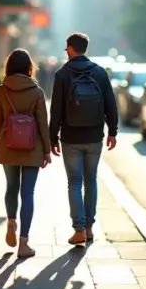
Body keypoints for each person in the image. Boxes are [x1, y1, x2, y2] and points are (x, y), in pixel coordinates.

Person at [49, 32, 118, 246]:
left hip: (70, 137)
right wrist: (113, 131)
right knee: (91, 181)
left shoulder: (62, 74)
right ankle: (88, 228)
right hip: (95, 136)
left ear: (70, 48)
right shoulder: (99, 72)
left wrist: (52, 138)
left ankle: (78, 229)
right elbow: (110, 104)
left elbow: (56, 110)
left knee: (74, 183)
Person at [0, 48, 52, 259]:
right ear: (29, 68)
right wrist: (46, 150)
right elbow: (43, 125)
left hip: (8, 145)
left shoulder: (1, 90)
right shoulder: (37, 92)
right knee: (28, 193)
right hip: (32, 147)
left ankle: (11, 222)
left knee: (11, 187)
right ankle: (24, 243)